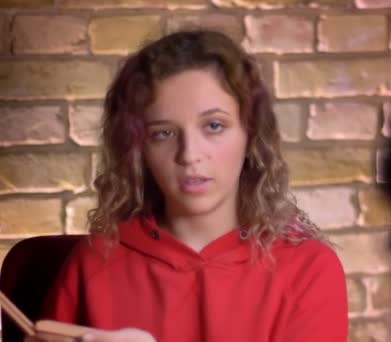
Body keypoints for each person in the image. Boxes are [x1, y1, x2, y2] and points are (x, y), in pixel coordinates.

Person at [34, 30, 348, 342]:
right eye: (163, 134)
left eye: (214, 126)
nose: (189, 155)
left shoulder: (308, 269)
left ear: (250, 135)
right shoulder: (95, 261)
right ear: (138, 150)